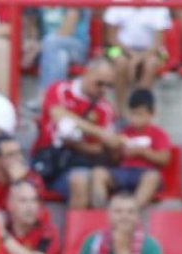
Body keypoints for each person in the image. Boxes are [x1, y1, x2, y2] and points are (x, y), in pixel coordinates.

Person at [31, 57, 119, 208]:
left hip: (77, 163)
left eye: (108, 85)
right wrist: (100, 132)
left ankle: (83, 230)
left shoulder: (106, 109)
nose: (103, 89)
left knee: (85, 181)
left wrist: (76, 145)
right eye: (99, 83)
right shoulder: (60, 89)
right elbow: (58, 114)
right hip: (46, 159)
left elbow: (99, 149)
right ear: (87, 73)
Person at [88, 89, 170, 209]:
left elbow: (164, 159)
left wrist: (142, 152)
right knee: (98, 173)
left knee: (153, 177)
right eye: (132, 113)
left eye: (140, 114)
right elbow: (114, 161)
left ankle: (132, 211)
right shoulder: (123, 132)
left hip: (144, 173)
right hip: (123, 172)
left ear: (151, 114)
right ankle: (101, 211)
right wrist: (114, 148)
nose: (135, 118)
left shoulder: (158, 134)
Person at [102, 3, 170, 119]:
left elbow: (158, 43)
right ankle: (119, 111)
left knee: (151, 64)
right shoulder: (117, 3)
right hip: (119, 48)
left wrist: (138, 58)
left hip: (151, 50)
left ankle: (140, 110)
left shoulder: (159, 6)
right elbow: (111, 38)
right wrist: (131, 55)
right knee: (121, 62)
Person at [0, 133, 44, 207]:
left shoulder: (32, 178)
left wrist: (18, 182)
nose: (19, 158)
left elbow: (32, 212)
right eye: (11, 154)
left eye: (19, 153)